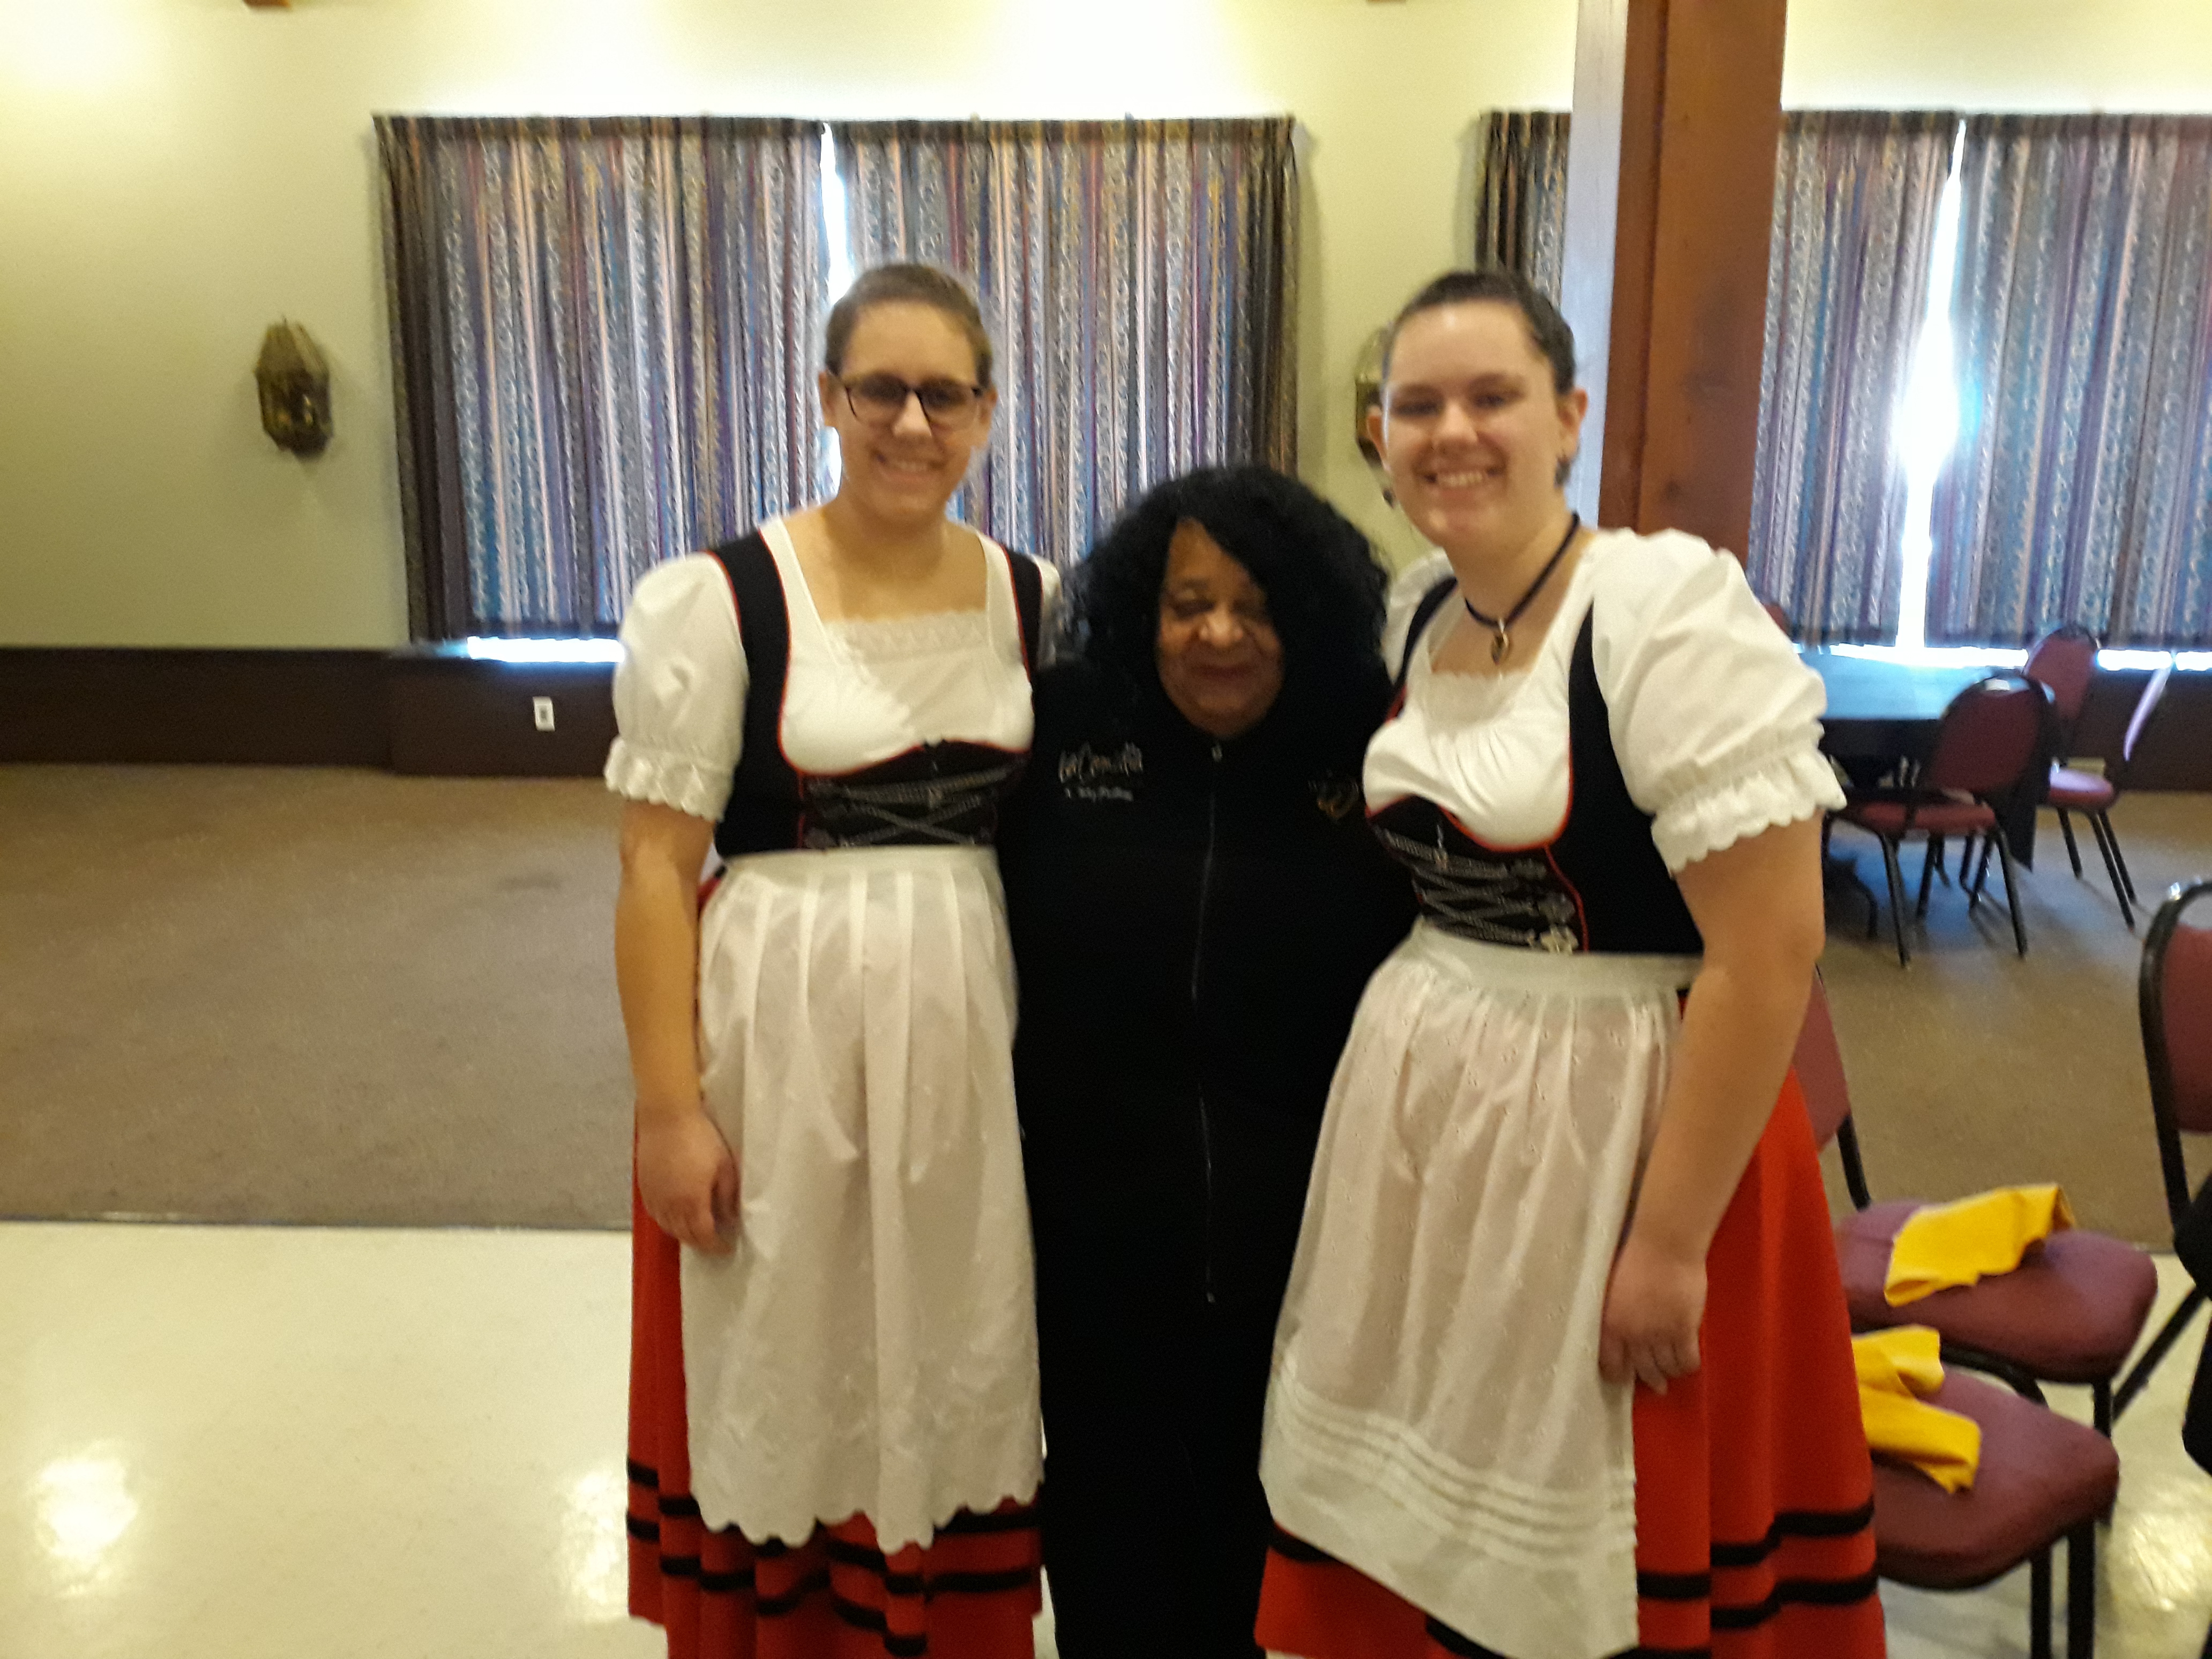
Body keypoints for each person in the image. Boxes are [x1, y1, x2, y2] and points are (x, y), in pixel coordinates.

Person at [1254, 271, 1884, 1659]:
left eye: (1494, 397)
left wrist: (1664, 1243)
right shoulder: (1423, 612)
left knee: (1605, 1529)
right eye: (1416, 406)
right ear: (1379, 434)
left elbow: (1772, 951)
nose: (1452, 433)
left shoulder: (1663, 612)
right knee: (1439, 1513)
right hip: (1434, 1124)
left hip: (1631, 1133)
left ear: (1569, 416)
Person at [608, 263, 1056, 1659]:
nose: (911, 423)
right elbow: (650, 874)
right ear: (827, 399)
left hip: (971, 1046)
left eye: (945, 394)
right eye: (880, 389)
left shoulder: (1034, 596)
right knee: (789, 1337)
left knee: (954, 1331)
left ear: (989, 411)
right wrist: (672, 1111)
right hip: (779, 1042)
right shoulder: (724, 596)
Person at [997, 465, 1417, 1658]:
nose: (1219, 634)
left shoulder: (1378, 750)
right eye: (1188, 604)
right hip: (1089, 1248)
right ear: (1146, 612)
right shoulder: (1064, 726)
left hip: (1312, 1252)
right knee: (1108, 1553)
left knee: (1267, 1558)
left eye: (1257, 604)